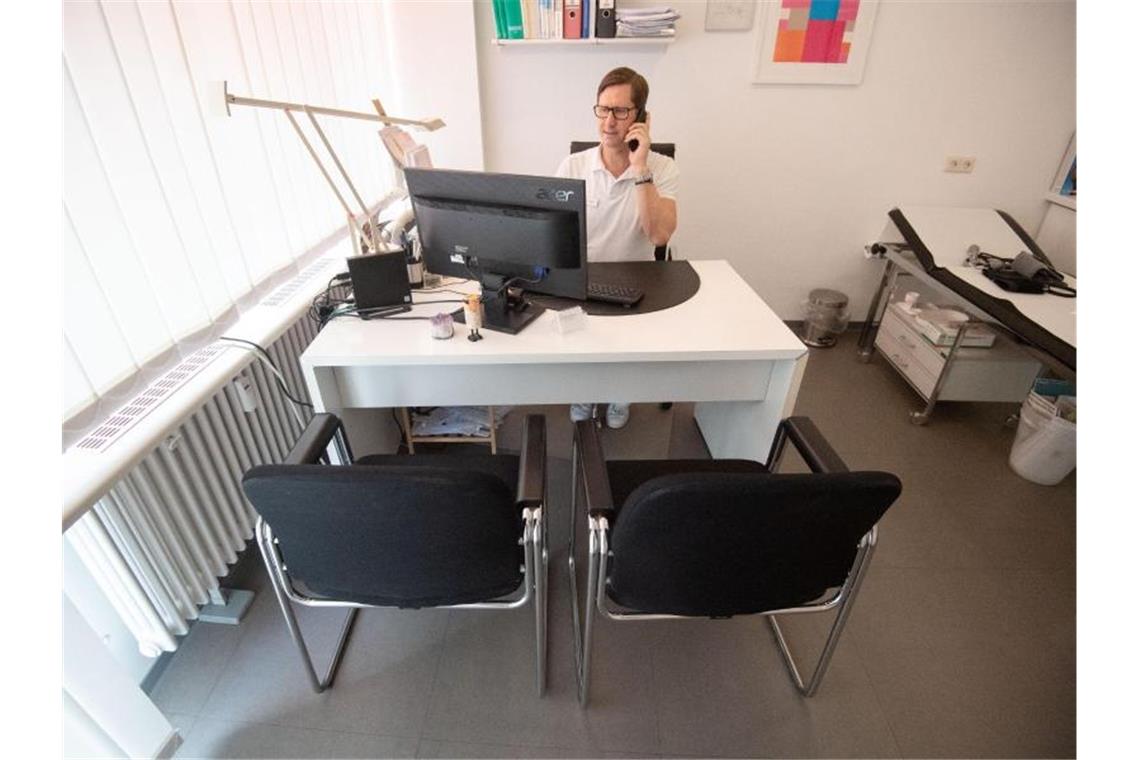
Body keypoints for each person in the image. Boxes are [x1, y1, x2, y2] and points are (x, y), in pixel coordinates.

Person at [555, 66, 679, 429]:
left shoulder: (662, 167)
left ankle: (620, 395)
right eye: (603, 109)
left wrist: (640, 167)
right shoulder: (573, 165)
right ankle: (584, 393)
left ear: (641, 118)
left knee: (626, 350)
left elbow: (659, 236)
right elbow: (555, 233)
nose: (609, 121)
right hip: (584, 277)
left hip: (637, 279)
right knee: (581, 346)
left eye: (621, 111)